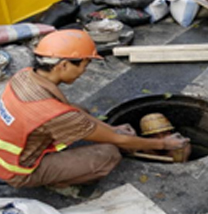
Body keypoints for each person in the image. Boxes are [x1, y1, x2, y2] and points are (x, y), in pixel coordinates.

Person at [0, 30, 189, 198]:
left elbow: (70, 112)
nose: (83, 72)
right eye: (84, 65)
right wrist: (163, 143)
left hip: (14, 148)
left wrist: (110, 128)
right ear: (63, 65)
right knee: (109, 154)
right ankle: (59, 183)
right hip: (17, 170)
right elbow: (119, 140)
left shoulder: (24, 75)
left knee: (81, 111)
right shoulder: (52, 114)